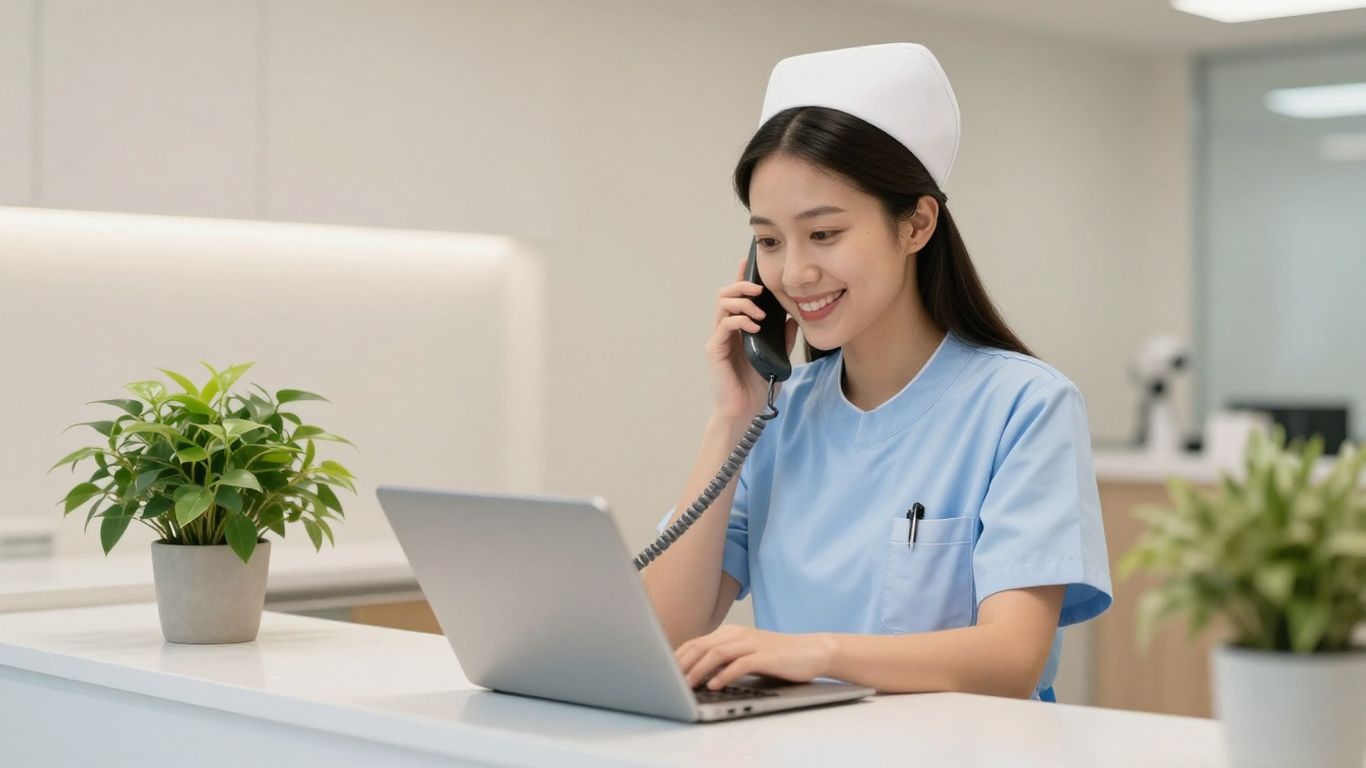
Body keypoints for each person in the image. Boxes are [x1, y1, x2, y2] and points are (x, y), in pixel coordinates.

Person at [640, 43, 1112, 702]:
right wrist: (730, 418)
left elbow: (1012, 658)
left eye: (824, 234)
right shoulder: (776, 417)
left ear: (916, 223)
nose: (794, 273)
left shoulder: (1025, 405)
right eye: (770, 241)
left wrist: (815, 652)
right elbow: (663, 630)